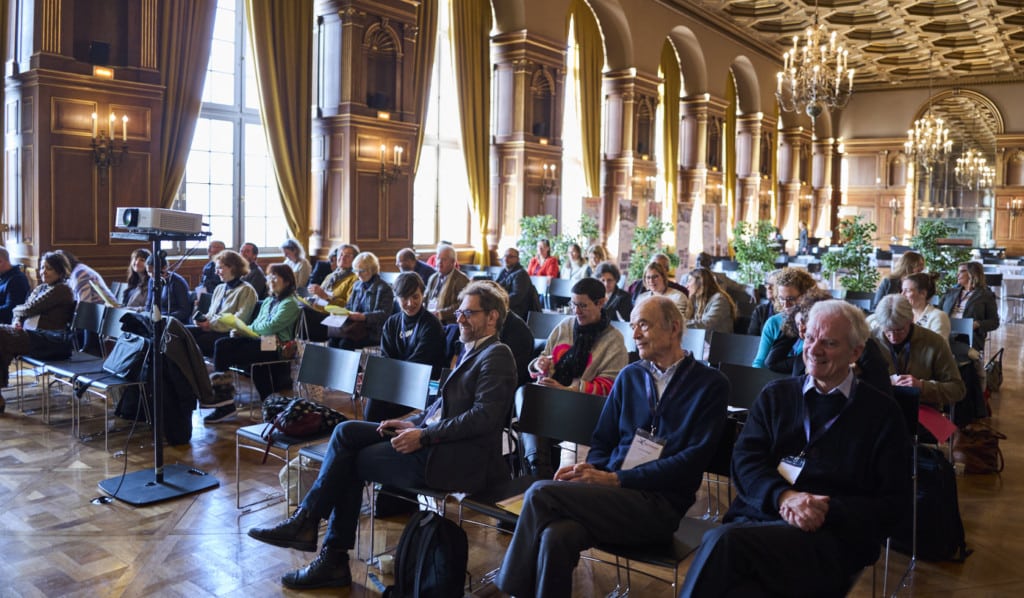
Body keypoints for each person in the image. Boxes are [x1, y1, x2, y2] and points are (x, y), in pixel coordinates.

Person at [247, 281, 517, 590]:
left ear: (492, 317)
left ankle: (324, 547)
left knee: (352, 461)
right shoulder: (474, 350)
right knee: (346, 431)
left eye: (468, 313)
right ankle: (309, 525)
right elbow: (442, 406)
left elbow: (485, 418)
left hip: (457, 459)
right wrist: (410, 422)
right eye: (459, 312)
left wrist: (424, 435)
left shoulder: (497, 355)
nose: (459, 319)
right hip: (438, 441)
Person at [496, 295, 729, 597]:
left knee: (541, 492)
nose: (635, 334)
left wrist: (616, 478)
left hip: (660, 505)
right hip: (614, 493)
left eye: (643, 325)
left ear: (674, 328)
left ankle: (509, 591)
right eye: (633, 326)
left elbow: (690, 461)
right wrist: (591, 469)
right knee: (556, 535)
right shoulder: (631, 376)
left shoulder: (710, 384)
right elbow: (603, 440)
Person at [679, 300, 911, 597]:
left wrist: (821, 510)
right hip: (762, 520)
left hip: (829, 538)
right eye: (810, 338)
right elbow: (745, 462)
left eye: (829, 342)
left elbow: (894, 503)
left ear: (856, 352)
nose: (814, 349)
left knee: (723, 543)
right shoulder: (776, 395)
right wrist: (784, 497)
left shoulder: (881, 413)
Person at [523, 277, 628, 478]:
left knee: (534, 408)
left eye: (583, 305)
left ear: (601, 303)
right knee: (526, 397)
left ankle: (539, 472)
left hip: (586, 407)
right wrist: (540, 364)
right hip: (554, 399)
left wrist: (567, 391)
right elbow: (545, 355)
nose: (576, 311)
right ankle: (540, 470)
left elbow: (610, 387)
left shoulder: (613, 339)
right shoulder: (565, 326)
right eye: (573, 304)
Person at [205, 264, 301, 423]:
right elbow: (259, 323)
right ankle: (224, 397)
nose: (271, 280)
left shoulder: (290, 303)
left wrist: (250, 329)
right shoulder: (269, 300)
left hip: (277, 344)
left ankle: (226, 404)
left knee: (232, 351)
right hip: (261, 338)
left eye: (276, 277)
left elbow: (271, 326)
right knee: (222, 344)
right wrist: (244, 329)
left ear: (288, 281)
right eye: (270, 276)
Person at [765, 288, 892, 396]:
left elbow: (881, 394)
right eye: (799, 324)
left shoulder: (862, 347)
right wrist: (793, 328)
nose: (801, 329)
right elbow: (772, 361)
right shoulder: (802, 358)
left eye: (806, 323)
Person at [0, 252, 76, 414]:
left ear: (60, 271)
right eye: (42, 268)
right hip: (33, 336)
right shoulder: (41, 288)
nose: (43, 272)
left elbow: (27, 308)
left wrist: (18, 313)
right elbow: (20, 312)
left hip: (53, 341)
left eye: (49, 268)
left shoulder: (62, 290)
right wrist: (16, 322)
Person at [371, 272, 447, 421]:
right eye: (404, 298)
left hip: (421, 385)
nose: (410, 303)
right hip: (398, 380)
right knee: (375, 396)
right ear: (397, 297)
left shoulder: (431, 325)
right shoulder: (392, 323)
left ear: (423, 295)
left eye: (415, 297)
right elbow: (386, 359)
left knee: (379, 406)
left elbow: (419, 363)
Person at [873, 294, 965, 409]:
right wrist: (884, 383)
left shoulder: (934, 342)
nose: (893, 337)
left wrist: (922, 387)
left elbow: (957, 390)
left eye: (900, 330)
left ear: (911, 319)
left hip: (922, 411)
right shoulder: (869, 340)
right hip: (880, 410)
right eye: (887, 331)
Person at [187, 249, 258, 356]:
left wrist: (210, 324)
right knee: (181, 334)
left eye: (219, 268)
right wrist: (201, 320)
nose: (216, 272)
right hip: (212, 329)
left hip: (228, 333)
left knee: (194, 341)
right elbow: (211, 314)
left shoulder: (246, 290)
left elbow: (239, 320)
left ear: (233, 267)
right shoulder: (219, 288)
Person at [751, 267, 817, 367]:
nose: (785, 305)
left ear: (806, 296)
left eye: (791, 299)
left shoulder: (817, 324)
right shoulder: (773, 323)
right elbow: (760, 362)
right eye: (782, 299)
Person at [330, 252, 393, 351]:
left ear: (372, 270)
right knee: (333, 339)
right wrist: (340, 312)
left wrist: (364, 317)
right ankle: (334, 366)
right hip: (355, 327)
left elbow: (385, 315)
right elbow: (349, 306)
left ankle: (354, 367)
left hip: (374, 331)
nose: (358, 274)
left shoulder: (384, 288)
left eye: (362, 271)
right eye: (356, 270)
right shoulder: (357, 285)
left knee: (345, 344)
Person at [940, 261, 999, 353]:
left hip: (968, 335)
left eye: (961, 271)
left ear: (972, 274)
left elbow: (994, 322)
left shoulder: (986, 295)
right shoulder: (951, 292)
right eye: (958, 272)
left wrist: (978, 324)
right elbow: (937, 311)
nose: (957, 275)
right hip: (946, 331)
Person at [424, 244, 470, 325]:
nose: (439, 262)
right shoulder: (433, 278)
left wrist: (441, 314)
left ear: (453, 262)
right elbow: (425, 298)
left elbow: (463, 305)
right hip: (430, 319)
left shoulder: (461, 279)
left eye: (444, 259)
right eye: (438, 258)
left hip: (448, 323)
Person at [686, 267, 737, 334]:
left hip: (718, 342)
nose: (687, 285)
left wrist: (680, 323)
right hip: (703, 340)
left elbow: (707, 324)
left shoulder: (719, 299)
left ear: (700, 282)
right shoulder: (696, 299)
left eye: (690, 281)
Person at [901, 272, 950, 342]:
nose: (902, 294)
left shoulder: (938, 316)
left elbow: (938, 348)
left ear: (923, 294)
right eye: (902, 290)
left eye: (907, 291)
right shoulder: (903, 314)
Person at [308, 244, 358, 312]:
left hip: (333, 316)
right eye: (341, 254)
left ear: (354, 260)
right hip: (318, 309)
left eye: (347, 256)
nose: (342, 258)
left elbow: (349, 305)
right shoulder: (330, 276)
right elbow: (319, 295)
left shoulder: (355, 279)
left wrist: (326, 297)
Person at [495, 247, 541, 320]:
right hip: (505, 307)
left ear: (517, 259)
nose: (506, 259)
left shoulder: (521, 274)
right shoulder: (503, 271)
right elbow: (495, 287)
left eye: (510, 257)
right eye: (505, 256)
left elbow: (516, 297)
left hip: (517, 312)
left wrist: (498, 302)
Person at [145, 252, 191, 323]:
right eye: (149, 272)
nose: (151, 276)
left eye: (153, 272)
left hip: (174, 321)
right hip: (157, 319)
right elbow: (149, 304)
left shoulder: (178, 282)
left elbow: (185, 311)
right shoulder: (151, 281)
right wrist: (148, 315)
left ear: (164, 268)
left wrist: (163, 316)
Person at [0, 246, 31, 325]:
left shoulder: (17, 280)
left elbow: (11, 310)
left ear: (1, 261)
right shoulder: (4, 275)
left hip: (7, 325)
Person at [747, 269, 780, 336]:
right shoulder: (759, 311)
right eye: (767, 284)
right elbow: (751, 339)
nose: (768, 287)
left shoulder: (789, 312)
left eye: (773, 285)